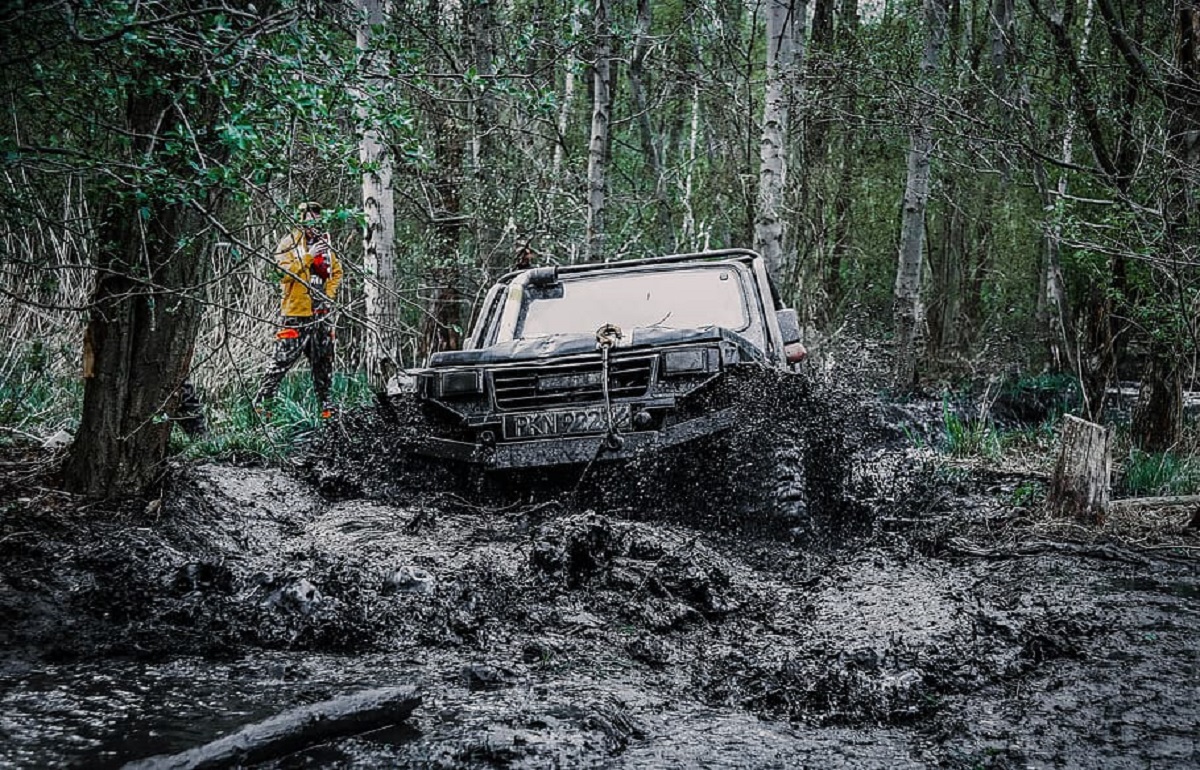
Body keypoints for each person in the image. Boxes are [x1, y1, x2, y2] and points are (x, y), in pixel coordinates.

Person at [254, 201, 344, 419]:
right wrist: (308, 256)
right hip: (295, 315)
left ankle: (327, 412)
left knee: (323, 365)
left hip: (321, 316)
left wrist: (328, 296)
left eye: (318, 219)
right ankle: (262, 408)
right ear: (301, 220)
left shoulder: (326, 244)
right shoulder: (289, 244)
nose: (314, 223)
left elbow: (337, 273)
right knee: (280, 363)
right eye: (310, 218)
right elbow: (282, 274)